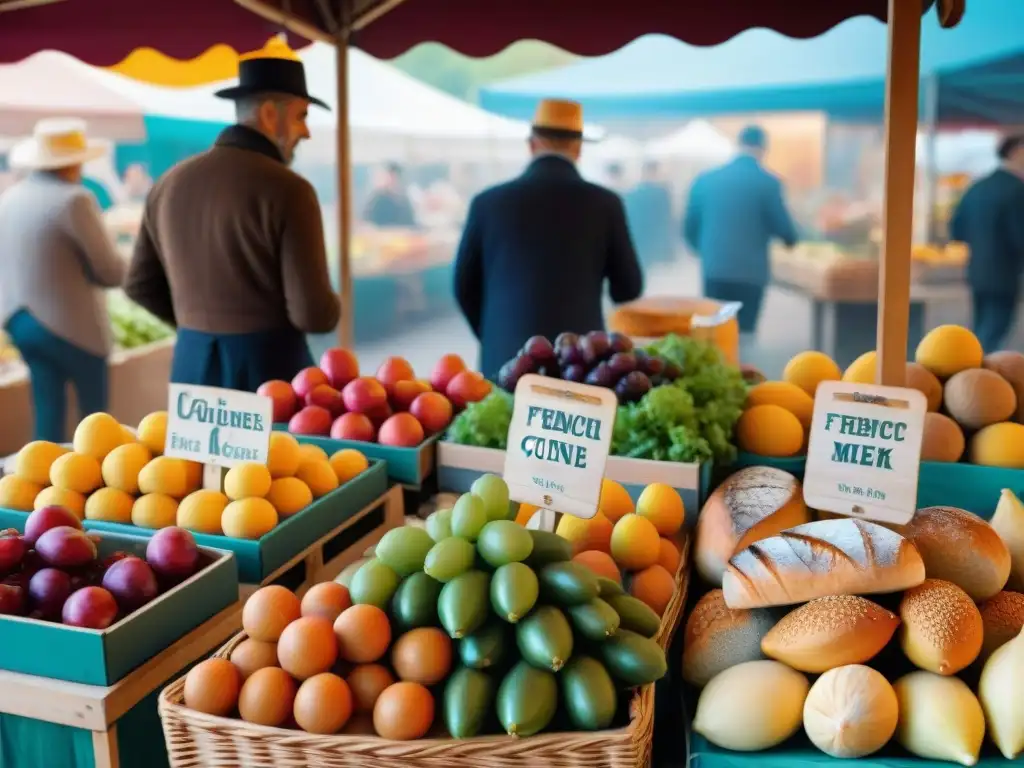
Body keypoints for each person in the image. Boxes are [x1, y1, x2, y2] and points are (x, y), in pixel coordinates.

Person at [124, 38, 340, 392]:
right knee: (278, 452)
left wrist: (198, 327)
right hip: (270, 373)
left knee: (191, 452)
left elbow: (139, 285)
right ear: (271, 115)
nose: (306, 131)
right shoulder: (290, 189)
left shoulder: (169, 182)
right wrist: (333, 304)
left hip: (191, 368)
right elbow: (314, 315)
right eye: (301, 116)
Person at [453, 99, 644, 378]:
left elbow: (463, 286)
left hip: (504, 359)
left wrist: (495, 332)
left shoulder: (487, 203)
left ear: (531, 145)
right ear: (578, 149)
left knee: (502, 422)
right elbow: (628, 288)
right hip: (579, 365)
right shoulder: (605, 203)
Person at [0, 118, 125, 441]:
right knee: (95, 423)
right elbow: (109, 271)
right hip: (71, 328)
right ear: (73, 163)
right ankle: (96, 489)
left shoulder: (10, 198)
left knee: (48, 412)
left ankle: (41, 484)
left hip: (19, 320)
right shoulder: (75, 199)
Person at [683, 125, 798, 337]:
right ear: (763, 148)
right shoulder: (769, 183)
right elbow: (785, 230)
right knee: (743, 334)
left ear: (738, 145)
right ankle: (740, 368)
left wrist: (706, 251)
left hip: (715, 269)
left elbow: (689, 226)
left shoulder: (706, 179)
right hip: (750, 274)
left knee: (716, 329)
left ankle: (717, 368)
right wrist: (792, 240)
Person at [949, 134, 1024, 352]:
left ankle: (968, 374)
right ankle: (973, 378)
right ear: (1016, 153)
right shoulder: (1017, 190)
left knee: (980, 329)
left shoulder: (977, 186)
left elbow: (956, 229)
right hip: (1005, 273)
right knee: (992, 333)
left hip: (976, 271)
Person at [625, 160, 675, 267]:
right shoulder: (661, 193)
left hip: (643, 238)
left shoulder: (635, 192)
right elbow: (666, 219)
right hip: (652, 239)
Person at [364, 162, 417, 228]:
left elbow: (410, 223)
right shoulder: (379, 200)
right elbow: (370, 222)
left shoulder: (404, 200)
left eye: (394, 177)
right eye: (390, 176)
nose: (392, 180)